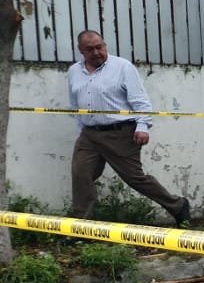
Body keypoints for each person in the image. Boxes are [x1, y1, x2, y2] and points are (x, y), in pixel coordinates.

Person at [67, 30, 191, 225]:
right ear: (80, 50)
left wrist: (143, 126)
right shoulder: (74, 71)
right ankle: (80, 226)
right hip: (89, 136)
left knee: (135, 178)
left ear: (105, 45)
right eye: (90, 49)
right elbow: (75, 103)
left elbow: (140, 100)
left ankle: (178, 205)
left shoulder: (122, 67)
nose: (96, 52)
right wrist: (81, 128)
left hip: (121, 134)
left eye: (99, 47)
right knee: (81, 175)